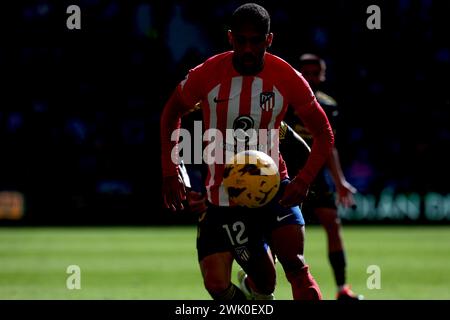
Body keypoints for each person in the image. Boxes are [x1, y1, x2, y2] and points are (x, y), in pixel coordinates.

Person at [160, 3, 334, 300]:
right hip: (222, 200)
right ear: (231, 38)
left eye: (256, 41)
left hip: (273, 188)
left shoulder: (288, 78)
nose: (248, 49)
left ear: (269, 40)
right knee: (228, 285)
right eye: (241, 40)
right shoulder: (206, 74)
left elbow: (324, 133)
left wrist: (303, 181)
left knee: (296, 266)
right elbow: (171, 113)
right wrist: (171, 169)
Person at [282, 53, 362, 300]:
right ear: (299, 74)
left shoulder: (328, 106)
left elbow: (329, 146)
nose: (312, 77)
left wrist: (340, 182)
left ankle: (342, 290)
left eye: (316, 73)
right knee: (278, 229)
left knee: (332, 224)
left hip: (315, 175)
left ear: (323, 75)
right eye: (307, 73)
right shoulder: (285, 101)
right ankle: (255, 280)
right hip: (288, 173)